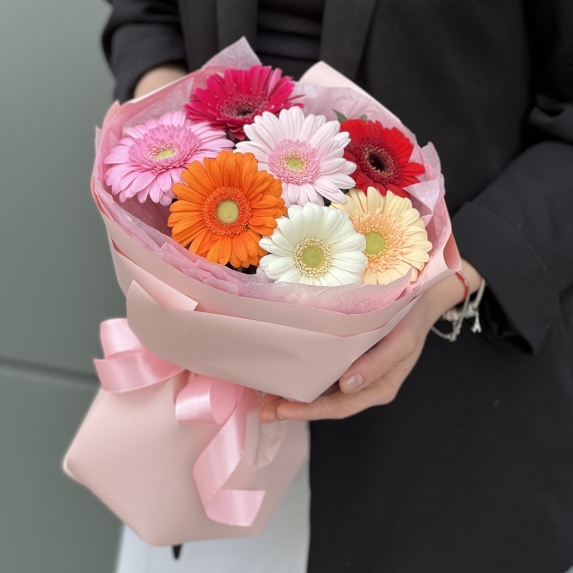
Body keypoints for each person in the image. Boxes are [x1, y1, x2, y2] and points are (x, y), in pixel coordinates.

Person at [102, 1, 573, 572]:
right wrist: (168, 143)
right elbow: (147, 15)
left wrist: (445, 282)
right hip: (204, 413)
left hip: (446, 406)